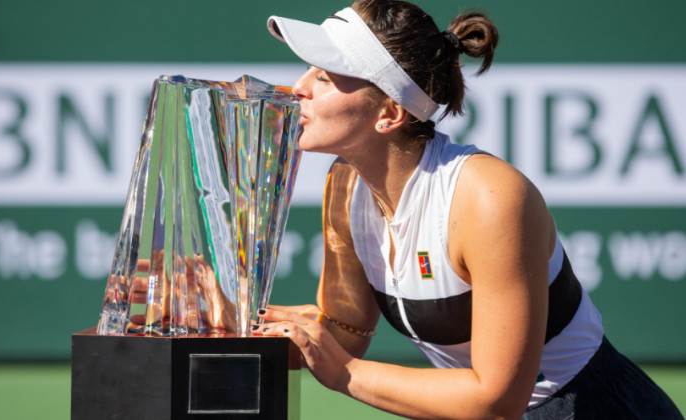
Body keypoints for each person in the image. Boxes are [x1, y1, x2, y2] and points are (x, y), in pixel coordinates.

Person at [254, 1, 684, 418]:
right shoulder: (345, 183)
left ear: (389, 113)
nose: (299, 88)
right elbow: (344, 334)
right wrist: (233, 324)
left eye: (326, 78)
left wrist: (345, 374)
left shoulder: (490, 199)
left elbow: (496, 404)